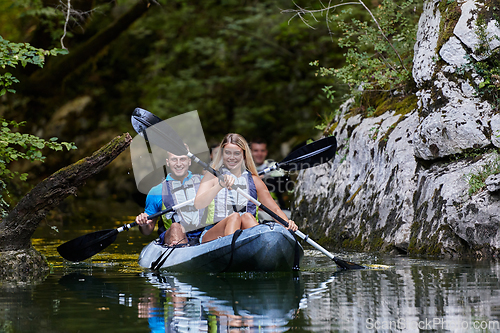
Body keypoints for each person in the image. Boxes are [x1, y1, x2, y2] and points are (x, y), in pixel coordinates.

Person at [194, 133, 297, 243]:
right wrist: (220, 186)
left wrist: (287, 223)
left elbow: (275, 209)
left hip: (245, 233)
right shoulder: (211, 177)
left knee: (247, 216)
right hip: (213, 234)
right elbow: (198, 204)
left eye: (237, 153)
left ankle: (261, 246)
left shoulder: (255, 181)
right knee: (234, 217)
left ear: (244, 155)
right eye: (227, 153)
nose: (232, 157)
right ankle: (233, 249)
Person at [135, 151, 206, 246]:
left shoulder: (205, 182)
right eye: (174, 160)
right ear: (167, 162)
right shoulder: (156, 192)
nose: (179, 164)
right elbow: (147, 231)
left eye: (182, 159)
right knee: (176, 227)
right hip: (174, 237)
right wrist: (143, 224)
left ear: (189, 161)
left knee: (232, 218)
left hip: (204, 234)